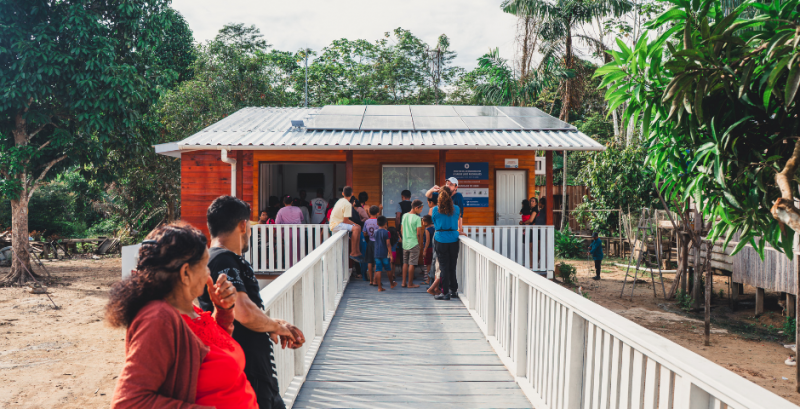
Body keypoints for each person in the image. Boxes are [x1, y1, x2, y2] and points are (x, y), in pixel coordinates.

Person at [108, 222, 257, 408]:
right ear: (186, 273)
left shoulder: (190, 310)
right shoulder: (158, 319)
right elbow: (128, 403)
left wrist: (223, 311)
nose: (209, 273)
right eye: (205, 265)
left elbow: (213, 354)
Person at [199, 196, 305, 409]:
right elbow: (242, 311)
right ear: (243, 225)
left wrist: (273, 324)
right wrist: (276, 327)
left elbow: (237, 311)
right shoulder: (222, 259)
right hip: (247, 373)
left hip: (256, 372)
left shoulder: (217, 258)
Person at [433, 188, 463, 301]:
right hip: (454, 239)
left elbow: (435, 222)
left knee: (443, 267)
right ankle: (453, 290)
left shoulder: (435, 210)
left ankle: (445, 292)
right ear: (451, 197)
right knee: (452, 266)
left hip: (441, 239)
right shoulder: (457, 208)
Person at [329, 186, 364, 262]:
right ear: (352, 194)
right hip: (337, 225)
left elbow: (346, 220)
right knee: (356, 228)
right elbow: (346, 221)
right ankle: (353, 252)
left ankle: (357, 251)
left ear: (342, 193)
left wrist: (355, 224)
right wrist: (355, 224)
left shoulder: (340, 201)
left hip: (334, 223)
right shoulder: (348, 204)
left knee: (358, 227)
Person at [401, 199, 424, 288]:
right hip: (414, 243)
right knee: (412, 263)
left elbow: (402, 230)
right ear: (416, 208)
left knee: (405, 263)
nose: (421, 211)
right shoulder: (417, 218)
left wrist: (405, 238)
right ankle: (410, 283)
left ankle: (403, 282)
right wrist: (420, 243)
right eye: (420, 209)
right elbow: (418, 233)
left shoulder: (405, 215)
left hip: (405, 243)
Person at [372, 216, 396, 291]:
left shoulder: (375, 232)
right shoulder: (387, 232)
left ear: (377, 223)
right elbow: (388, 244)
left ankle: (379, 287)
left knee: (378, 270)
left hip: (377, 253)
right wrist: (391, 255)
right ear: (385, 223)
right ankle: (391, 284)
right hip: (385, 253)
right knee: (388, 268)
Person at [395, 190, 412, 267]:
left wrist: (397, 229)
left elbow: (398, 217)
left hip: (403, 229)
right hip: (412, 230)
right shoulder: (414, 205)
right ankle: (412, 272)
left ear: (402, 196)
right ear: (410, 197)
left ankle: (403, 270)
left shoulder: (400, 204)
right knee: (412, 249)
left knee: (403, 249)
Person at [364, 205, 380, 284]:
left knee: (369, 261)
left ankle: (370, 280)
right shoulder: (378, 221)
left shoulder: (366, 221)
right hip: (377, 243)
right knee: (377, 261)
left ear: (369, 212)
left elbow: (364, 233)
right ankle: (375, 280)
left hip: (370, 242)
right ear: (378, 213)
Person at [421, 215, 434, 285]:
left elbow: (427, 240)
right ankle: (432, 279)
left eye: (422, 221)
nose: (422, 222)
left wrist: (424, 250)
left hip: (428, 248)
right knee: (432, 264)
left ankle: (428, 280)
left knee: (428, 265)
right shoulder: (433, 228)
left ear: (425, 222)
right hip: (433, 248)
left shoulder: (427, 230)